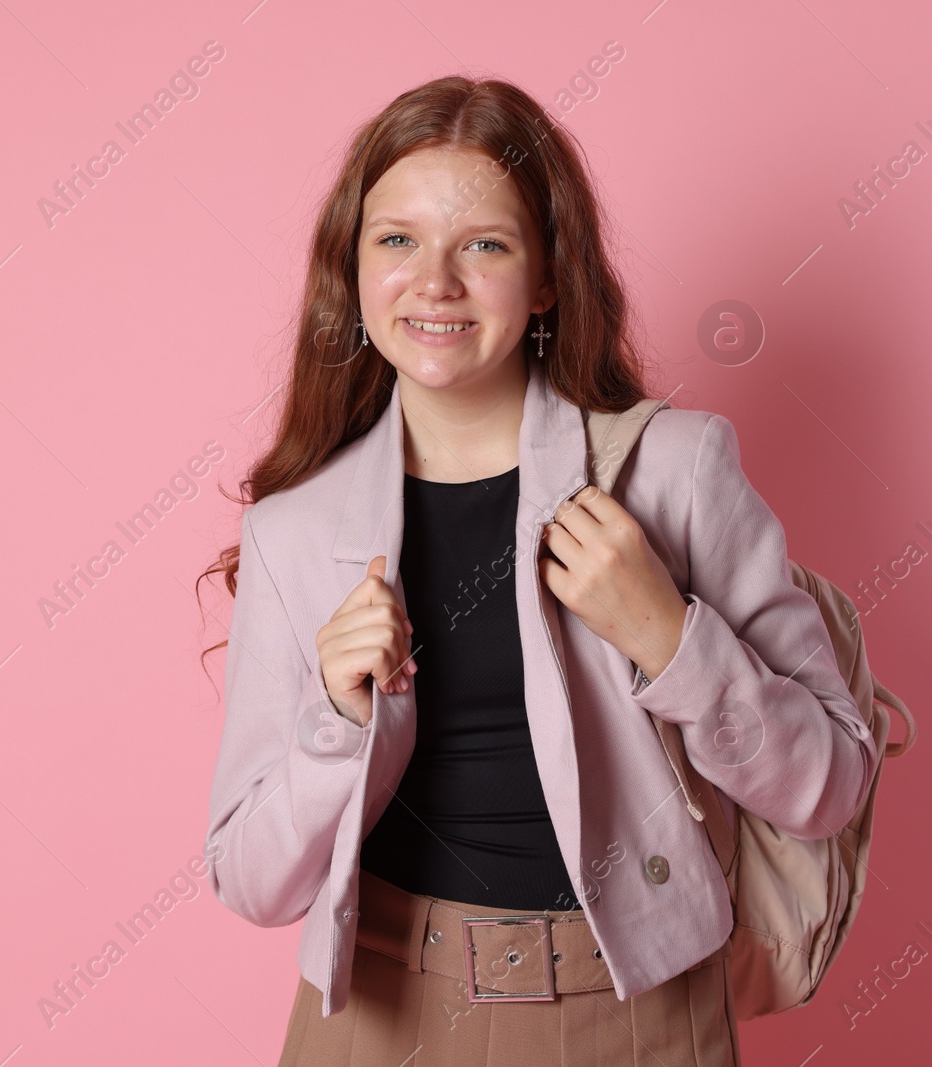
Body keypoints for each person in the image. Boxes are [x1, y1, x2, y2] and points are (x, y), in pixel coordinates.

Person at [199, 74, 879, 1067]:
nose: (434, 281)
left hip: (637, 1006)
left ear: (548, 275)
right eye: (396, 240)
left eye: (484, 243)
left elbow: (827, 785)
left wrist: (670, 637)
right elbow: (251, 880)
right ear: (352, 270)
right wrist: (336, 725)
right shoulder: (292, 531)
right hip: (374, 1016)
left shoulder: (676, 470)